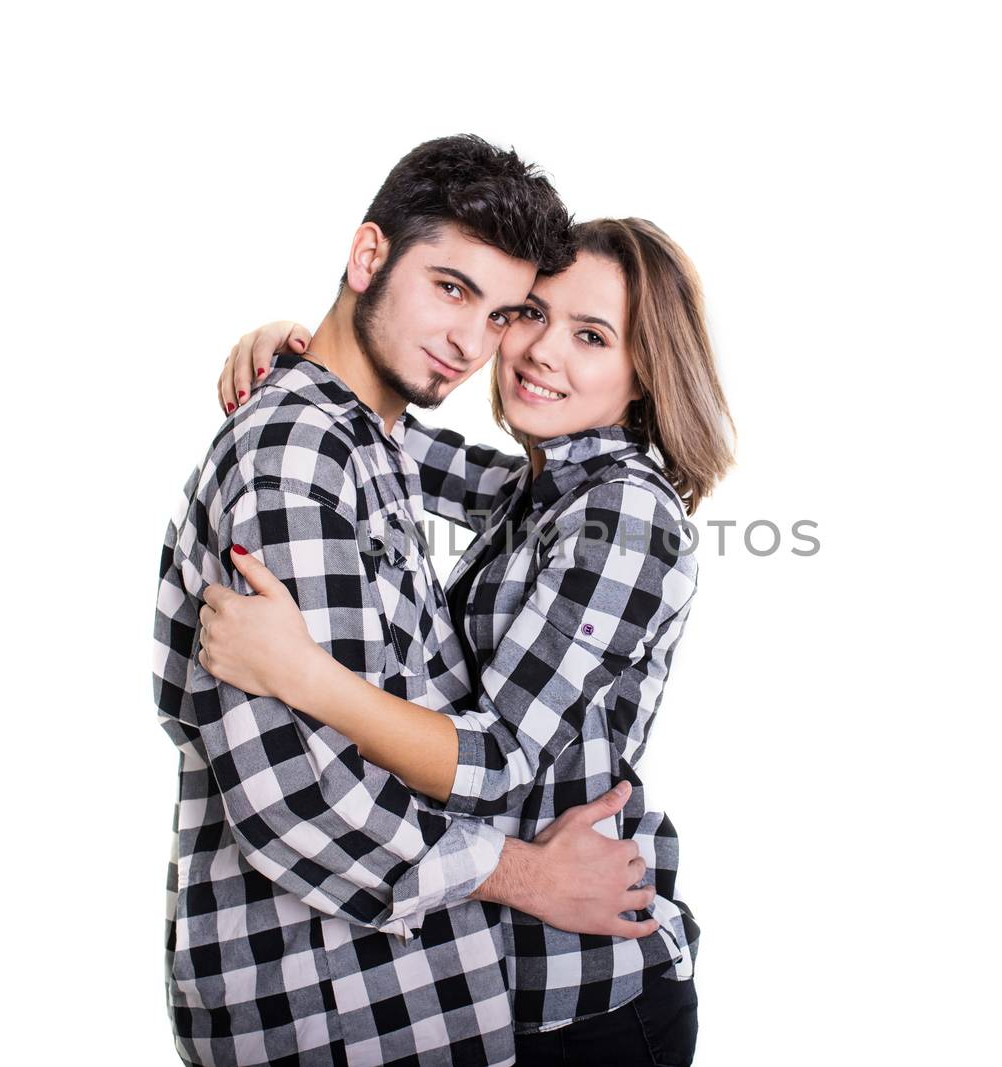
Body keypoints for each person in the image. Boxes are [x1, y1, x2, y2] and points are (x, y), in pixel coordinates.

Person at [154, 136, 663, 1067]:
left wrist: (307, 675)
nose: (487, 345)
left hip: (552, 978)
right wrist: (293, 352)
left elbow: (498, 759)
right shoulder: (341, 455)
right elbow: (297, 793)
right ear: (367, 256)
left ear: (647, 372)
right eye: (461, 292)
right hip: (353, 1001)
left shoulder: (621, 508)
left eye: (589, 336)